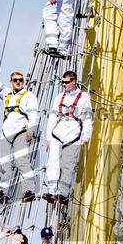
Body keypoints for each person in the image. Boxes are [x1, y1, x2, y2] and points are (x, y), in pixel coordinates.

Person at [0, 52, 39, 204]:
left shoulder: (29, 96)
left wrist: (31, 131)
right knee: (5, 163)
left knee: (22, 160)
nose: (18, 82)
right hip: (6, 132)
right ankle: (3, 191)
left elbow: (34, 114)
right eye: (15, 80)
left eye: (21, 80)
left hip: (21, 131)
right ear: (11, 81)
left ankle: (29, 189)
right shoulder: (7, 93)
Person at [42, 70, 92, 204]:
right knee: (52, 163)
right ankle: (51, 191)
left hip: (73, 135)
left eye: (66, 82)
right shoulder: (59, 97)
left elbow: (87, 118)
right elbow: (52, 118)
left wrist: (86, 136)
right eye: (62, 82)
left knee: (68, 165)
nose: (64, 85)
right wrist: (48, 138)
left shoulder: (84, 97)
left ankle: (62, 194)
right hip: (57, 133)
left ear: (74, 81)